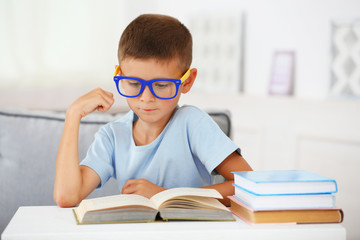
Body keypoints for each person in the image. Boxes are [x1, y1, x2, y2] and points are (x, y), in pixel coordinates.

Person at [54, 14, 252, 208]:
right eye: (133, 83)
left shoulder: (193, 123)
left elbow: (248, 185)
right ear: (120, 75)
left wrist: (168, 196)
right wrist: (73, 114)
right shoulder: (113, 136)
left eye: (162, 85)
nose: (146, 98)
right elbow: (66, 197)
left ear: (188, 81)